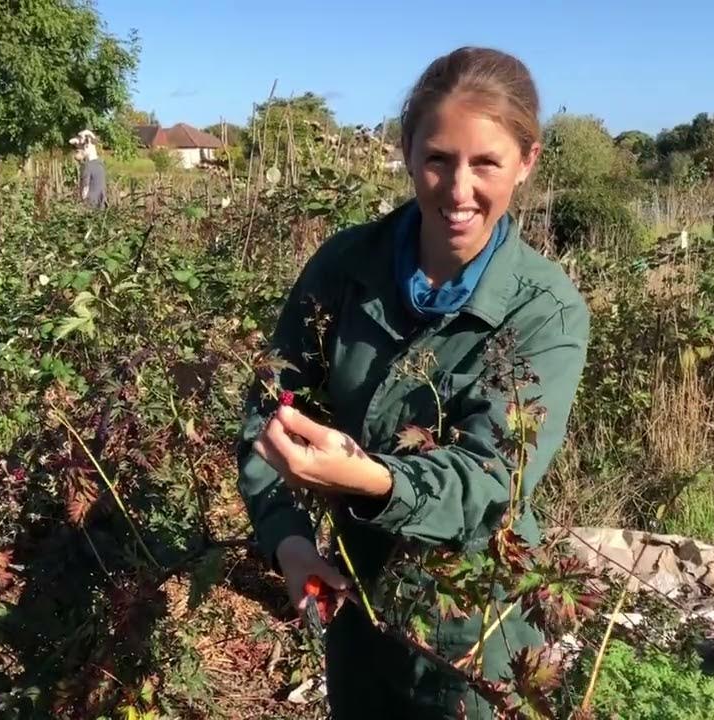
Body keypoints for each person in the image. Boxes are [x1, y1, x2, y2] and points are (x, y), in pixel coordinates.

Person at [236, 47, 590, 718]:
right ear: (406, 151)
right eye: (438, 159)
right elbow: (267, 412)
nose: (459, 190)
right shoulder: (345, 266)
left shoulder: (545, 309)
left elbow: (492, 479)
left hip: (473, 622)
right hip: (352, 599)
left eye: (486, 162)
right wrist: (288, 541)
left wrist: (373, 481)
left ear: (528, 161)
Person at [69, 129, 107, 209]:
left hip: (90, 206)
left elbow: (85, 188)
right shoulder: (101, 164)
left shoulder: (87, 167)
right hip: (101, 204)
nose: (77, 152)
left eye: (78, 150)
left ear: (86, 146)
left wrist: (83, 204)